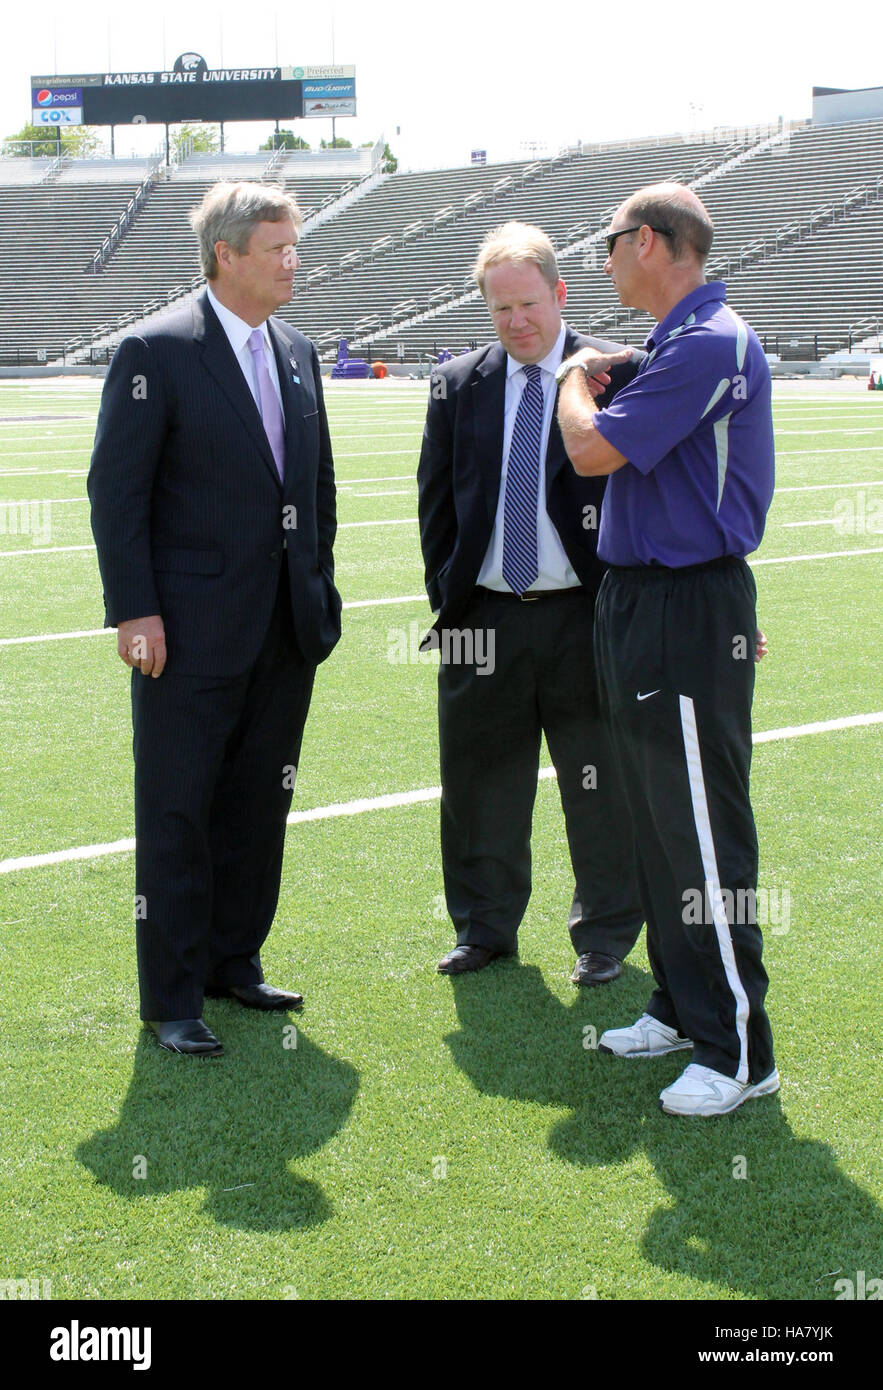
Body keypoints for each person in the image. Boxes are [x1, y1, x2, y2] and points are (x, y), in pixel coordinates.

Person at [88, 182, 341, 1056]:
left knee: (255, 806)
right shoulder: (155, 349)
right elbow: (115, 493)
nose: (292, 261)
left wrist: (321, 588)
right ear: (226, 255)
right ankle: (171, 996)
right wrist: (136, 611)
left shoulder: (299, 350)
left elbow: (316, 488)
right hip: (187, 634)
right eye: (276, 247)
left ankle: (234, 961)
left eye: (294, 245)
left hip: (284, 628)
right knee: (177, 811)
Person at [557, 183, 778, 1116]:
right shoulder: (678, 344)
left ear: (648, 241)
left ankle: (737, 1049)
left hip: (684, 602)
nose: (602, 260)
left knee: (700, 827)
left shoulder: (710, 341)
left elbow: (591, 452)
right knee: (653, 820)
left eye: (608, 243)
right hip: (642, 600)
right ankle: (682, 1007)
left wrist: (575, 376)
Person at [417, 221, 644, 982]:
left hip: (585, 613)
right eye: (499, 308)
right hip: (483, 616)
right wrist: (451, 605)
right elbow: (436, 511)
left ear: (559, 293)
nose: (515, 322)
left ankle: (604, 936)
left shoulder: (612, 373)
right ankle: (483, 927)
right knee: (479, 783)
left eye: (527, 304)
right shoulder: (458, 384)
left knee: (600, 781)